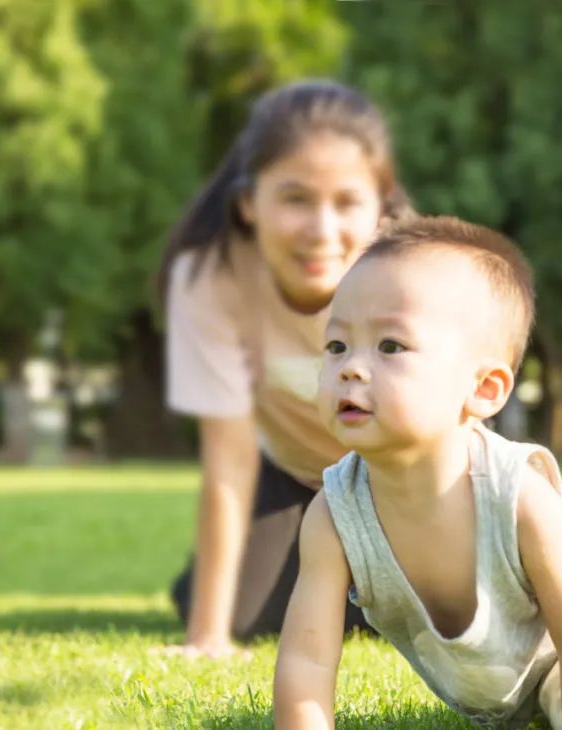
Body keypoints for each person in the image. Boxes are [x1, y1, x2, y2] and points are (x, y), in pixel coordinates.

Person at [273, 216, 562, 729]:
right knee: (542, 706)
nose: (350, 368)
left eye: (390, 346)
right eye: (337, 346)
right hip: (517, 669)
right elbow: (307, 659)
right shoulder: (335, 516)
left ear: (483, 390)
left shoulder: (518, 500)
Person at [161, 79, 410, 657]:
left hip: (402, 474)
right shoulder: (213, 278)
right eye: (296, 199)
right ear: (250, 203)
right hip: (294, 477)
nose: (321, 230)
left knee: (419, 607)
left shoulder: (409, 268)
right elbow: (229, 458)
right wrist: (207, 635)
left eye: (346, 202)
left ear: (380, 204)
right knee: (244, 616)